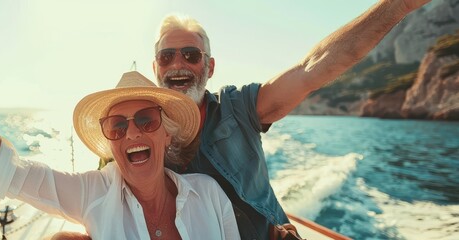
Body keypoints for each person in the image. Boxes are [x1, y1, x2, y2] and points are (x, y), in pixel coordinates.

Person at [150, 0, 432, 239]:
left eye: (190, 55)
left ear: (209, 67)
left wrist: (398, 5)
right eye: (166, 57)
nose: (178, 64)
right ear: (155, 68)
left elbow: (311, 68)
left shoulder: (237, 107)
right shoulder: (140, 133)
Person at [0, 27, 240, 239]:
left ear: (167, 134)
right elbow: (5, 169)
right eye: (117, 125)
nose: (131, 133)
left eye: (146, 120)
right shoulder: (94, 193)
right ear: (109, 139)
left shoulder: (209, 194)